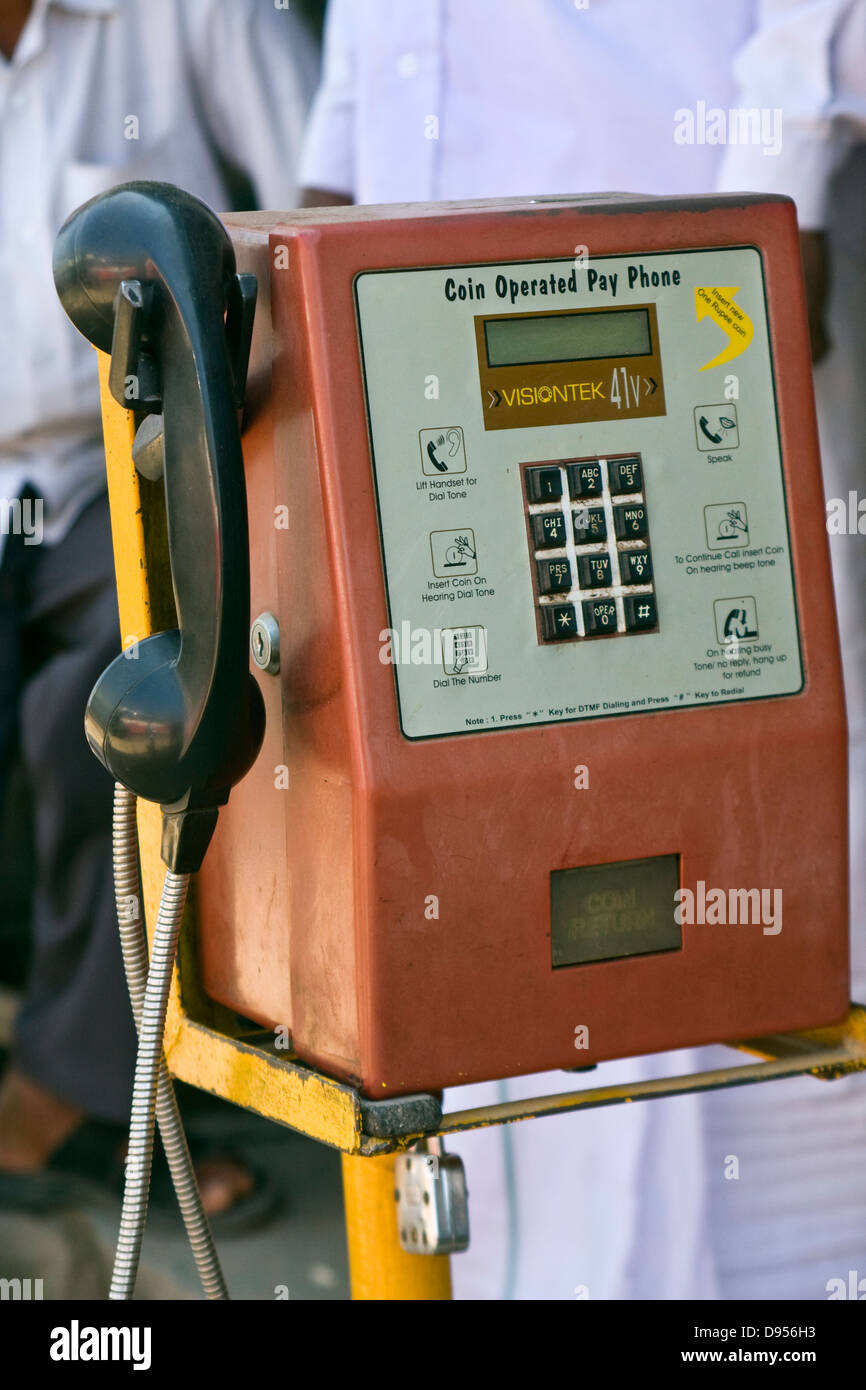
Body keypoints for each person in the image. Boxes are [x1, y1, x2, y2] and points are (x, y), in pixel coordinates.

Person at [298, 0, 866, 1299]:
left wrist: (773, 187)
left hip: (673, 297)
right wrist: (315, 221)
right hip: (408, 340)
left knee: (720, 853)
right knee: (476, 864)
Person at [0, 0, 318, 1216]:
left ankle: (72, 1089)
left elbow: (317, 227)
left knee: (130, 680)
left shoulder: (196, 13)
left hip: (130, 466)